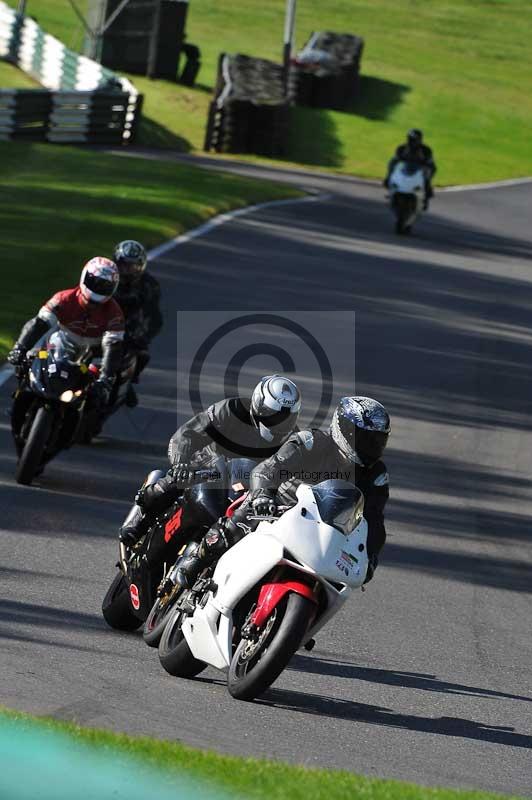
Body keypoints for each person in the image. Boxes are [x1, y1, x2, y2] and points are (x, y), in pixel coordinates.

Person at [176, 395, 391, 589]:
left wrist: (369, 558)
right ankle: (197, 561)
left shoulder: (376, 474)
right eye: (364, 438)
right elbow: (268, 469)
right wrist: (263, 494)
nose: (371, 447)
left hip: (324, 531)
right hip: (277, 506)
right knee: (242, 520)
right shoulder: (311, 441)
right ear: (345, 429)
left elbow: (373, 519)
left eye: (377, 441)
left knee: (336, 581)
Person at [119, 375, 302, 546]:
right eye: (274, 415)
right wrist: (181, 462)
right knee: (171, 483)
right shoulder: (232, 410)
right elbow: (186, 434)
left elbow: (297, 478)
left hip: (246, 492)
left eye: (286, 417)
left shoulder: (293, 440)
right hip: (208, 468)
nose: (279, 422)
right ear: (258, 405)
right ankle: (143, 517)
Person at [7, 258, 124, 405]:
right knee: (28, 360)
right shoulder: (63, 298)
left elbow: (113, 346)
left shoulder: (115, 313)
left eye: (104, 286)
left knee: (98, 396)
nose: (98, 288)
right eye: (94, 282)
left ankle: (87, 422)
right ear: (84, 277)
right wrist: (20, 347)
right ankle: (20, 398)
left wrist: (106, 377)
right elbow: (40, 322)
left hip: (93, 354)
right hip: (60, 344)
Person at [112, 240, 163, 407]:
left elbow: (154, 317)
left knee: (142, 355)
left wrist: (144, 336)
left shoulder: (149, 285)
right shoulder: (108, 276)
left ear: (140, 266)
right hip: (104, 321)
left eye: (132, 266)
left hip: (130, 326)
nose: (127, 269)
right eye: (123, 264)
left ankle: (127, 383)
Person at [384, 129, 436, 209]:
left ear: (419, 140)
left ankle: (426, 197)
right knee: (392, 166)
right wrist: (389, 173)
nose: (412, 142)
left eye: (414, 140)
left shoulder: (426, 150)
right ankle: (392, 189)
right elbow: (394, 160)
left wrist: (427, 167)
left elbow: (431, 164)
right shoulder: (402, 148)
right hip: (406, 168)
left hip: (420, 170)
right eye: (410, 139)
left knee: (427, 174)